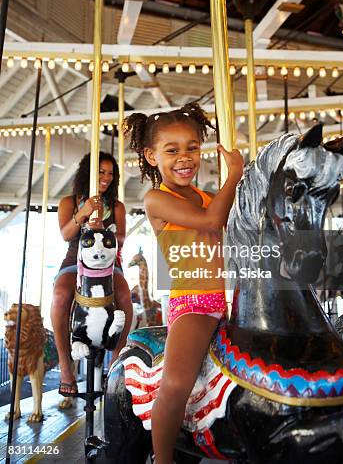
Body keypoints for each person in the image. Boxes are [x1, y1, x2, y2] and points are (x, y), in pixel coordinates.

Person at [124, 102, 243, 464]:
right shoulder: (157, 199)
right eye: (172, 150)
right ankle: (163, 459)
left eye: (192, 147)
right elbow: (210, 221)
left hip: (228, 301)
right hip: (193, 303)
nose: (185, 157)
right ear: (151, 155)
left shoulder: (207, 197)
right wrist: (234, 175)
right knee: (176, 383)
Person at [51, 151, 133, 397]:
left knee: (125, 298)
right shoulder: (70, 202)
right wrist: (83, 214)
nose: (106, 178)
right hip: (76, 258)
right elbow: (66, 234)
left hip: (108, 261)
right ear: (88, 172)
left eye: (110, 173)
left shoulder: (116, 207)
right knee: (60, 295)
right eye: (101, 172)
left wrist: (103, 230)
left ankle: (116, 361)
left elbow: (120, 239)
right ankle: (66, 367)